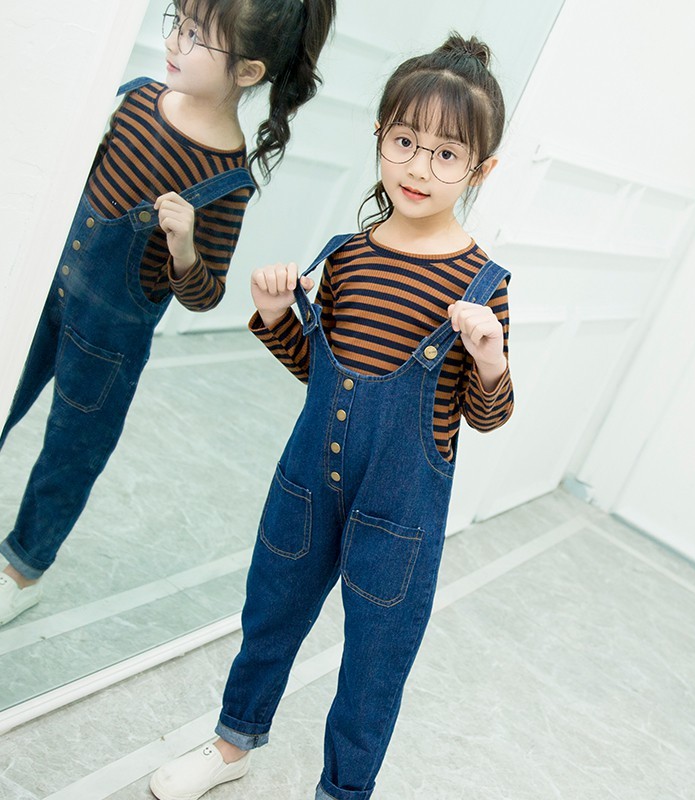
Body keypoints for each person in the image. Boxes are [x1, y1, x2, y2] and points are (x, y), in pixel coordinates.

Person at [150, 31, 514, 800]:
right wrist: (274, 315)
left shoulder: (482, 285)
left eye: (446, 154)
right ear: (379, 136)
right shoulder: (346, 256)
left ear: (481, 169)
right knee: (270, 616)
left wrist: (489, 358)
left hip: (399, 513)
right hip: (307, 484)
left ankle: (343, 792)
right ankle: (232, 743)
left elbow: (487, 417)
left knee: (375, 662)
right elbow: (321, 376)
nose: (419, 167)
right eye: (405, 142)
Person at [0, 0, 337, 627]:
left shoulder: (226, 179)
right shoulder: (133, 100)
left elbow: (205, 294)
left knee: (71, 452)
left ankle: (23, 569)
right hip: (44, 292)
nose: (176, 42)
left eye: (197, 36)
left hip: (109, 341)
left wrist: (183, 246)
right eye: (177, 23)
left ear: (247, 71)